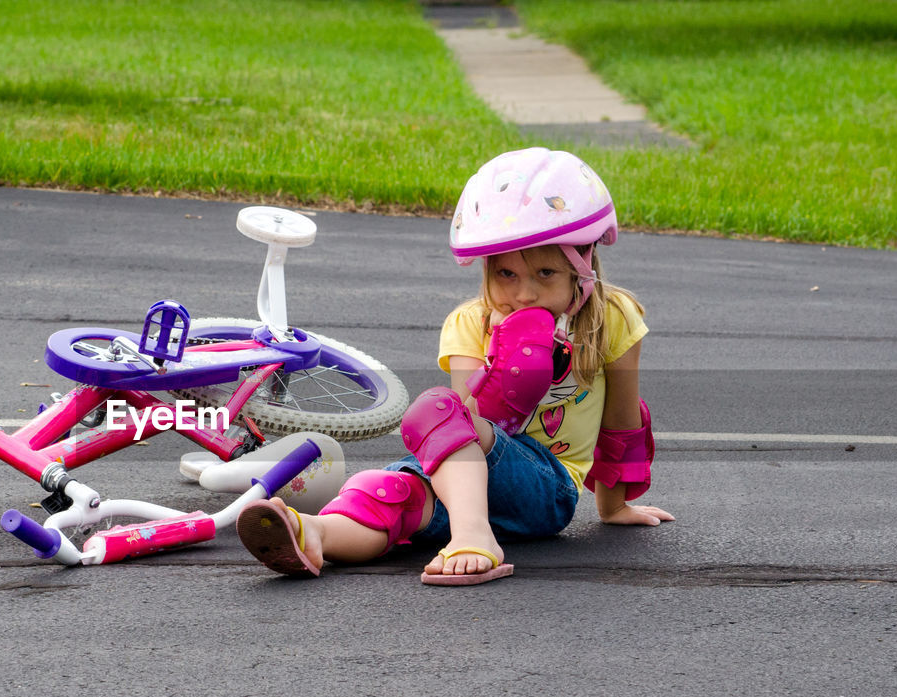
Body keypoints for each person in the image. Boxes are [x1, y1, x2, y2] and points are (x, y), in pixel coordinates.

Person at [235, 147, 674, 586]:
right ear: (487, 268)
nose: (523, 295)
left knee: (435, 410)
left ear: (583, 269)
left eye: (545, 274)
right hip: (469, 483)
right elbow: (470, 420)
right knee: (388, 491)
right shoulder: (469, 323)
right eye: (506, 275)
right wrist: (505, 357)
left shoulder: (610, 316)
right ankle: (312, 534)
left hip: (547, 488)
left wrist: (614, 508)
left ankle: (473, 537)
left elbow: (623, 421)